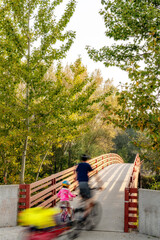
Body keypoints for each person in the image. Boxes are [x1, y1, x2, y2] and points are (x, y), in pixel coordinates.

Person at [76, 154, 103, 221]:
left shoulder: (79, 165)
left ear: (81, 159)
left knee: (84, 199)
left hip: (79, 185)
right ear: (87, 160)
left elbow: (76, 173)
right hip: (85, 184)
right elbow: (95, 174)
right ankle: (84, 217)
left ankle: (79, 210)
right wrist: (100, 184)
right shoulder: (87, 165)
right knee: (90, 200)